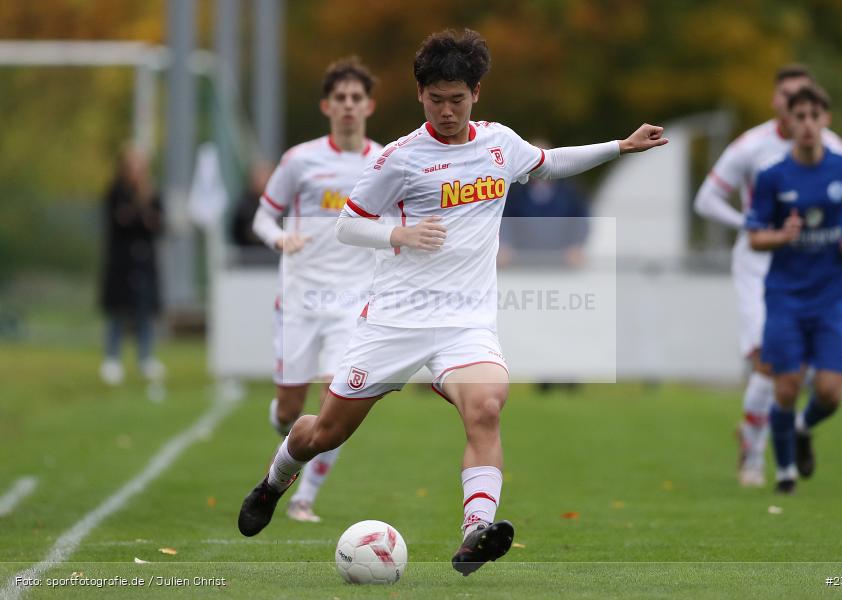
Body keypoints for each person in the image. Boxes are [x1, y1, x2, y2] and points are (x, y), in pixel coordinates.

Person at [237, 29, 666, 576]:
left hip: (465, 322)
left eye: (456, 99)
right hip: (394, 319)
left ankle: (475, 532)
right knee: (324, 433)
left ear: (476, 94)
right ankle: (275, 482)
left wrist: (620, 146)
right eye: (436, 99)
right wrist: (399, 236)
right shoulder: (400, 158)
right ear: (421, 96)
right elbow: (348, 224)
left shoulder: (499, 144)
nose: (446, 110)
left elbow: (550, 163)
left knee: (487, 405)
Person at [693, 65, 842, 487]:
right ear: (777, 101)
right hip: (758, 263)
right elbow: (706, 200)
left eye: (804, 97)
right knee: (769, 358)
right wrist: (751, 225)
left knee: (806, 372)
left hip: (807, 267)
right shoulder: (752, 146)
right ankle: (754, 457)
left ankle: (786, 428)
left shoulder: (832, 146)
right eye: (787, 96)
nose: (796, 105)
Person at [249, 57, 381, 522]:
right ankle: (283, 424)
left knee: (332, 408)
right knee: (291, 412)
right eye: (340, 98)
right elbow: (263, 215)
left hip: (352, 305)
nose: (348, 105)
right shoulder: (300, 159)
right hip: (301, 302)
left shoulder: (384, 162)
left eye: (356, 98)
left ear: (370, 106)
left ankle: (304, 497)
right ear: (327, 105)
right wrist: (279, 237)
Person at [746, 84, 842, 494]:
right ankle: (784, 473)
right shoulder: (772, 176)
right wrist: (782, 235)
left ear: (825, 120)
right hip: (785, 296)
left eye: (814, 117)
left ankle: (803, 426)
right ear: (789, 121)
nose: (807, 125)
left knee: (830, 393)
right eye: (799, 117)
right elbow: (754, 238)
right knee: (785, 385)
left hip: (833, 296)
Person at [99, 144, 165, 385]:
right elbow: (122, 223)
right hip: (121, 263)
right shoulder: (115, 192)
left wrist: (141, 215)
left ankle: (145, 358)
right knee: (118, 311)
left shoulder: (152, 193)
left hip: (145, 262)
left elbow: (156, 225)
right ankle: (112, 359)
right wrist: (140, 216)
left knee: (144, 311)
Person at [498, 138, 590, 270]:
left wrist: (577, 245)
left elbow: (582, 219)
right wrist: (504, 245)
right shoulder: (515, 191)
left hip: (562, 264)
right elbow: (504, 220)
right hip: (523, 264)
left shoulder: (569, 191)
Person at [231, 161, 272, 247]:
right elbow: (236, 233)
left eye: (265, 177)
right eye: (259, 178)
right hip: (250, 256)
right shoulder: (244, 205)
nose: (262, 182)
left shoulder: (281, 204)